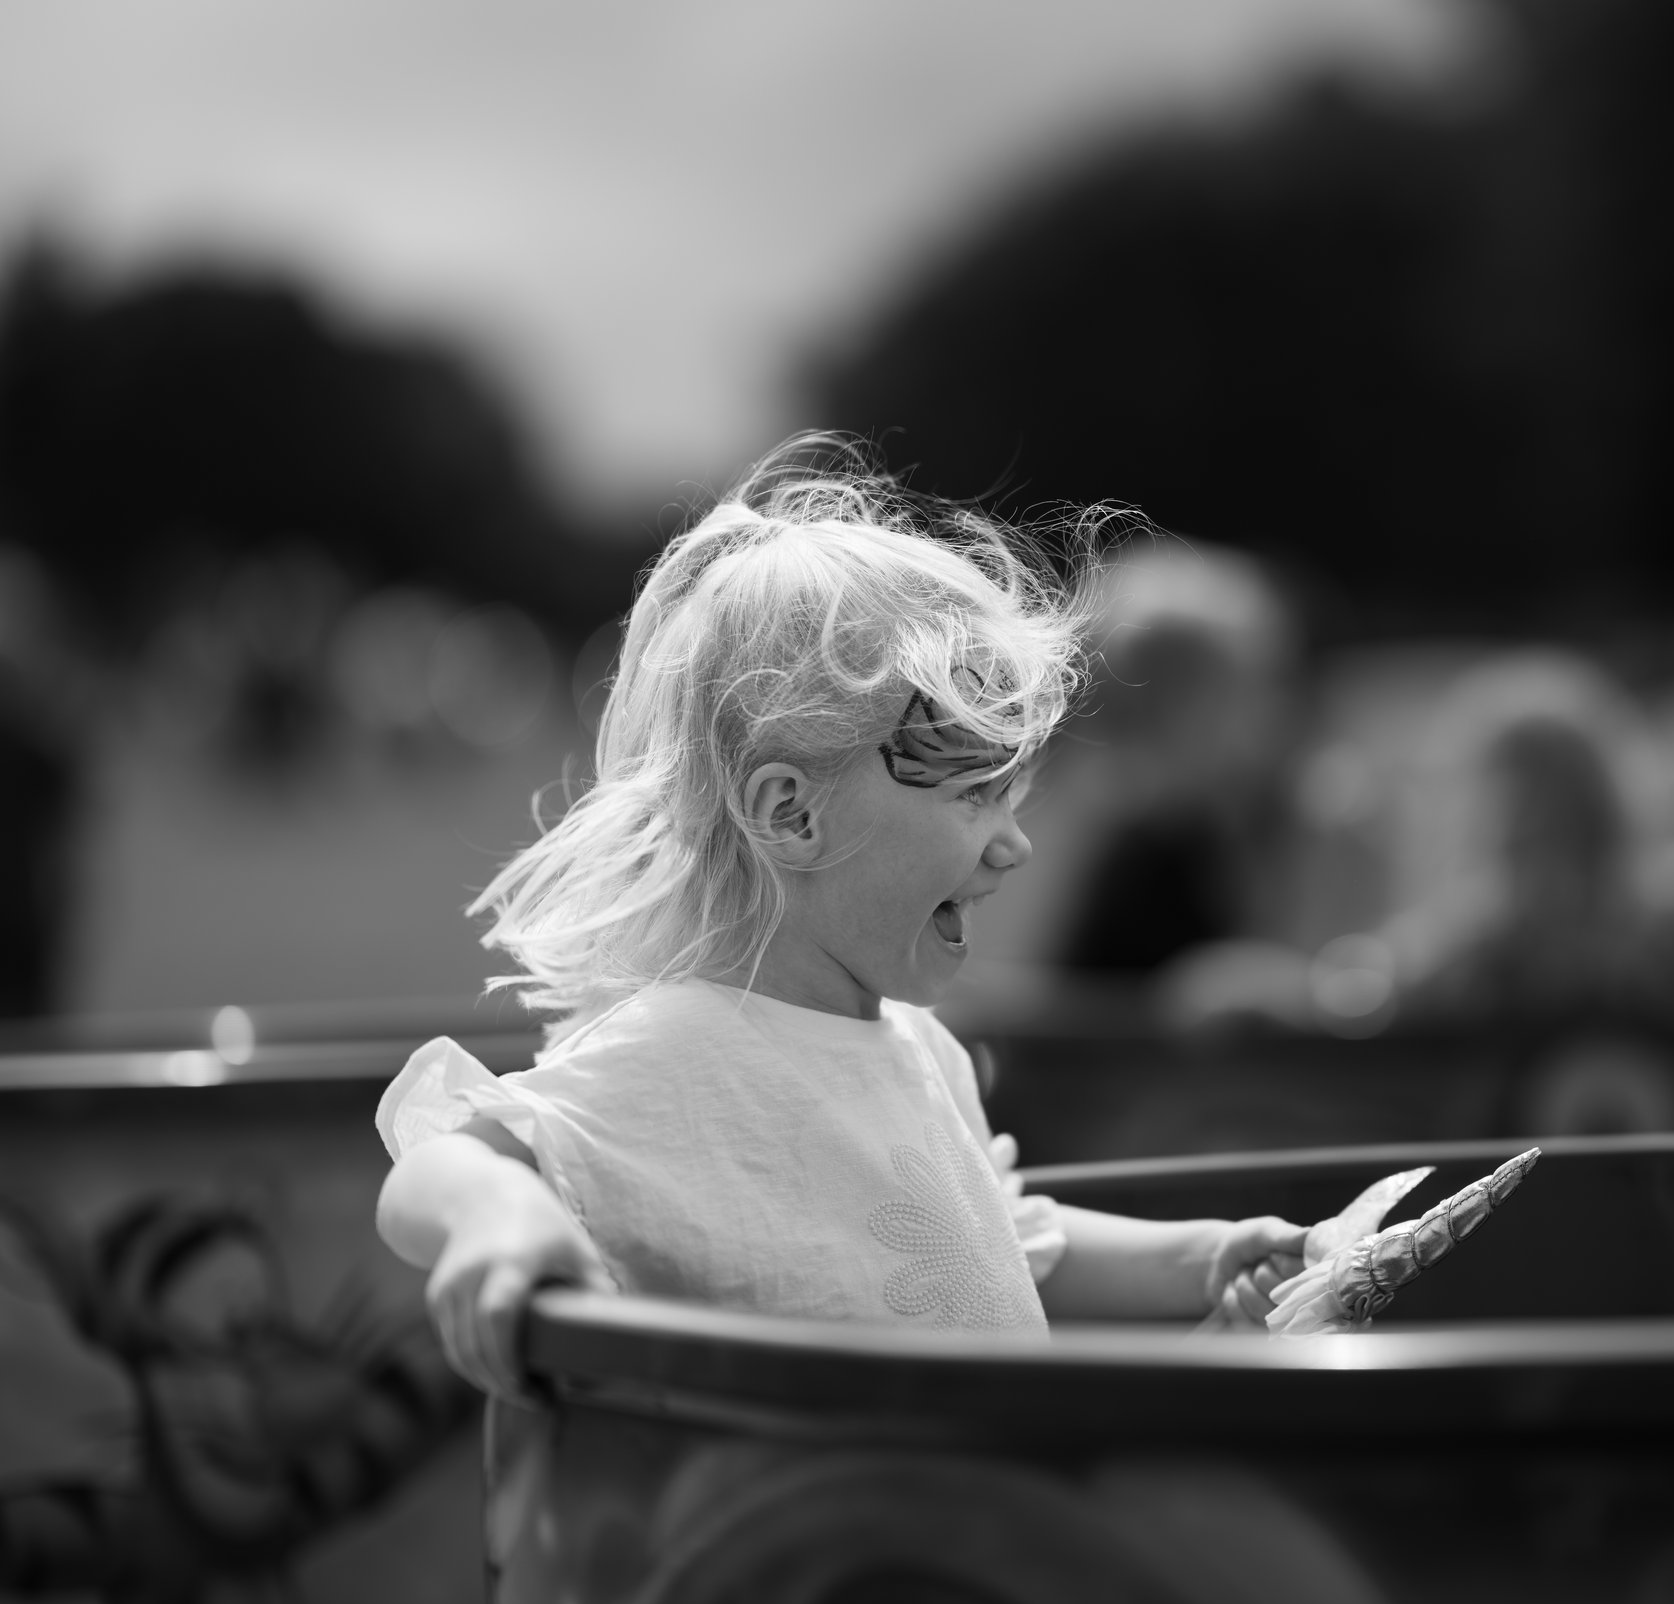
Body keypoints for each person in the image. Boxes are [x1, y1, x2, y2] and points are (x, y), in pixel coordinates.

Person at [373, 437, 1305, 1400]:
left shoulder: (917, 1044)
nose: (1015, 845)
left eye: (1012, 797)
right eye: (972, 796)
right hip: (824, 1502)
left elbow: (997, 1241)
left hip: (979, 1490)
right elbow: (440, 1160)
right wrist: (499, 1216)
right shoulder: (684, 1052)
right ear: (791, 814)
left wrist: (1206, 1255)